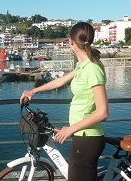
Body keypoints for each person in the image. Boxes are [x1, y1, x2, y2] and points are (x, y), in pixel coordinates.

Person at [20, 22, 109, 181]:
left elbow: (102, 112)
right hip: (81, 136)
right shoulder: (82, 66)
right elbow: (60, 81)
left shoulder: (93, 68)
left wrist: (69, 129)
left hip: (87, 138)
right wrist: (33, 91)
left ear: (71, 42)